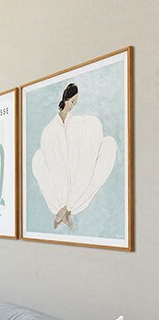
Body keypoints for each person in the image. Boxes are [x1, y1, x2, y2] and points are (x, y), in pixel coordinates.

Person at [31, 83, 117, 230]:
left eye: (75, 103)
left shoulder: (80, 124)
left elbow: (83, 161)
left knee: (108, 145)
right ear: (66, 100)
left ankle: (66, 209)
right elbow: (55, 166)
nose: (73, 105)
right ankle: (65, 209)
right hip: (61, 190)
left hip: (77, 189)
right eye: (72, 102)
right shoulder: (50, 130)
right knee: (37, 160)